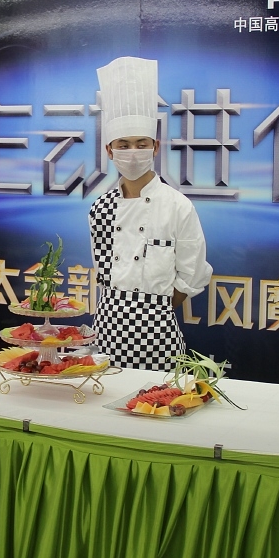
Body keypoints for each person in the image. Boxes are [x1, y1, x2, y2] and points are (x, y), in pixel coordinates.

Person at [88, 56, 212, 371]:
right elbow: (103, 273)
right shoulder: (100, 208)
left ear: (155, 147)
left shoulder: (177, 205)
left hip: (157, 333)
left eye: (141, 144)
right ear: (109, 150)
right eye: (123, 144)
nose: (132, 152)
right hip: (107, 329)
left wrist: (152, 311)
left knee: (156, 398)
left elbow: (193, 273)